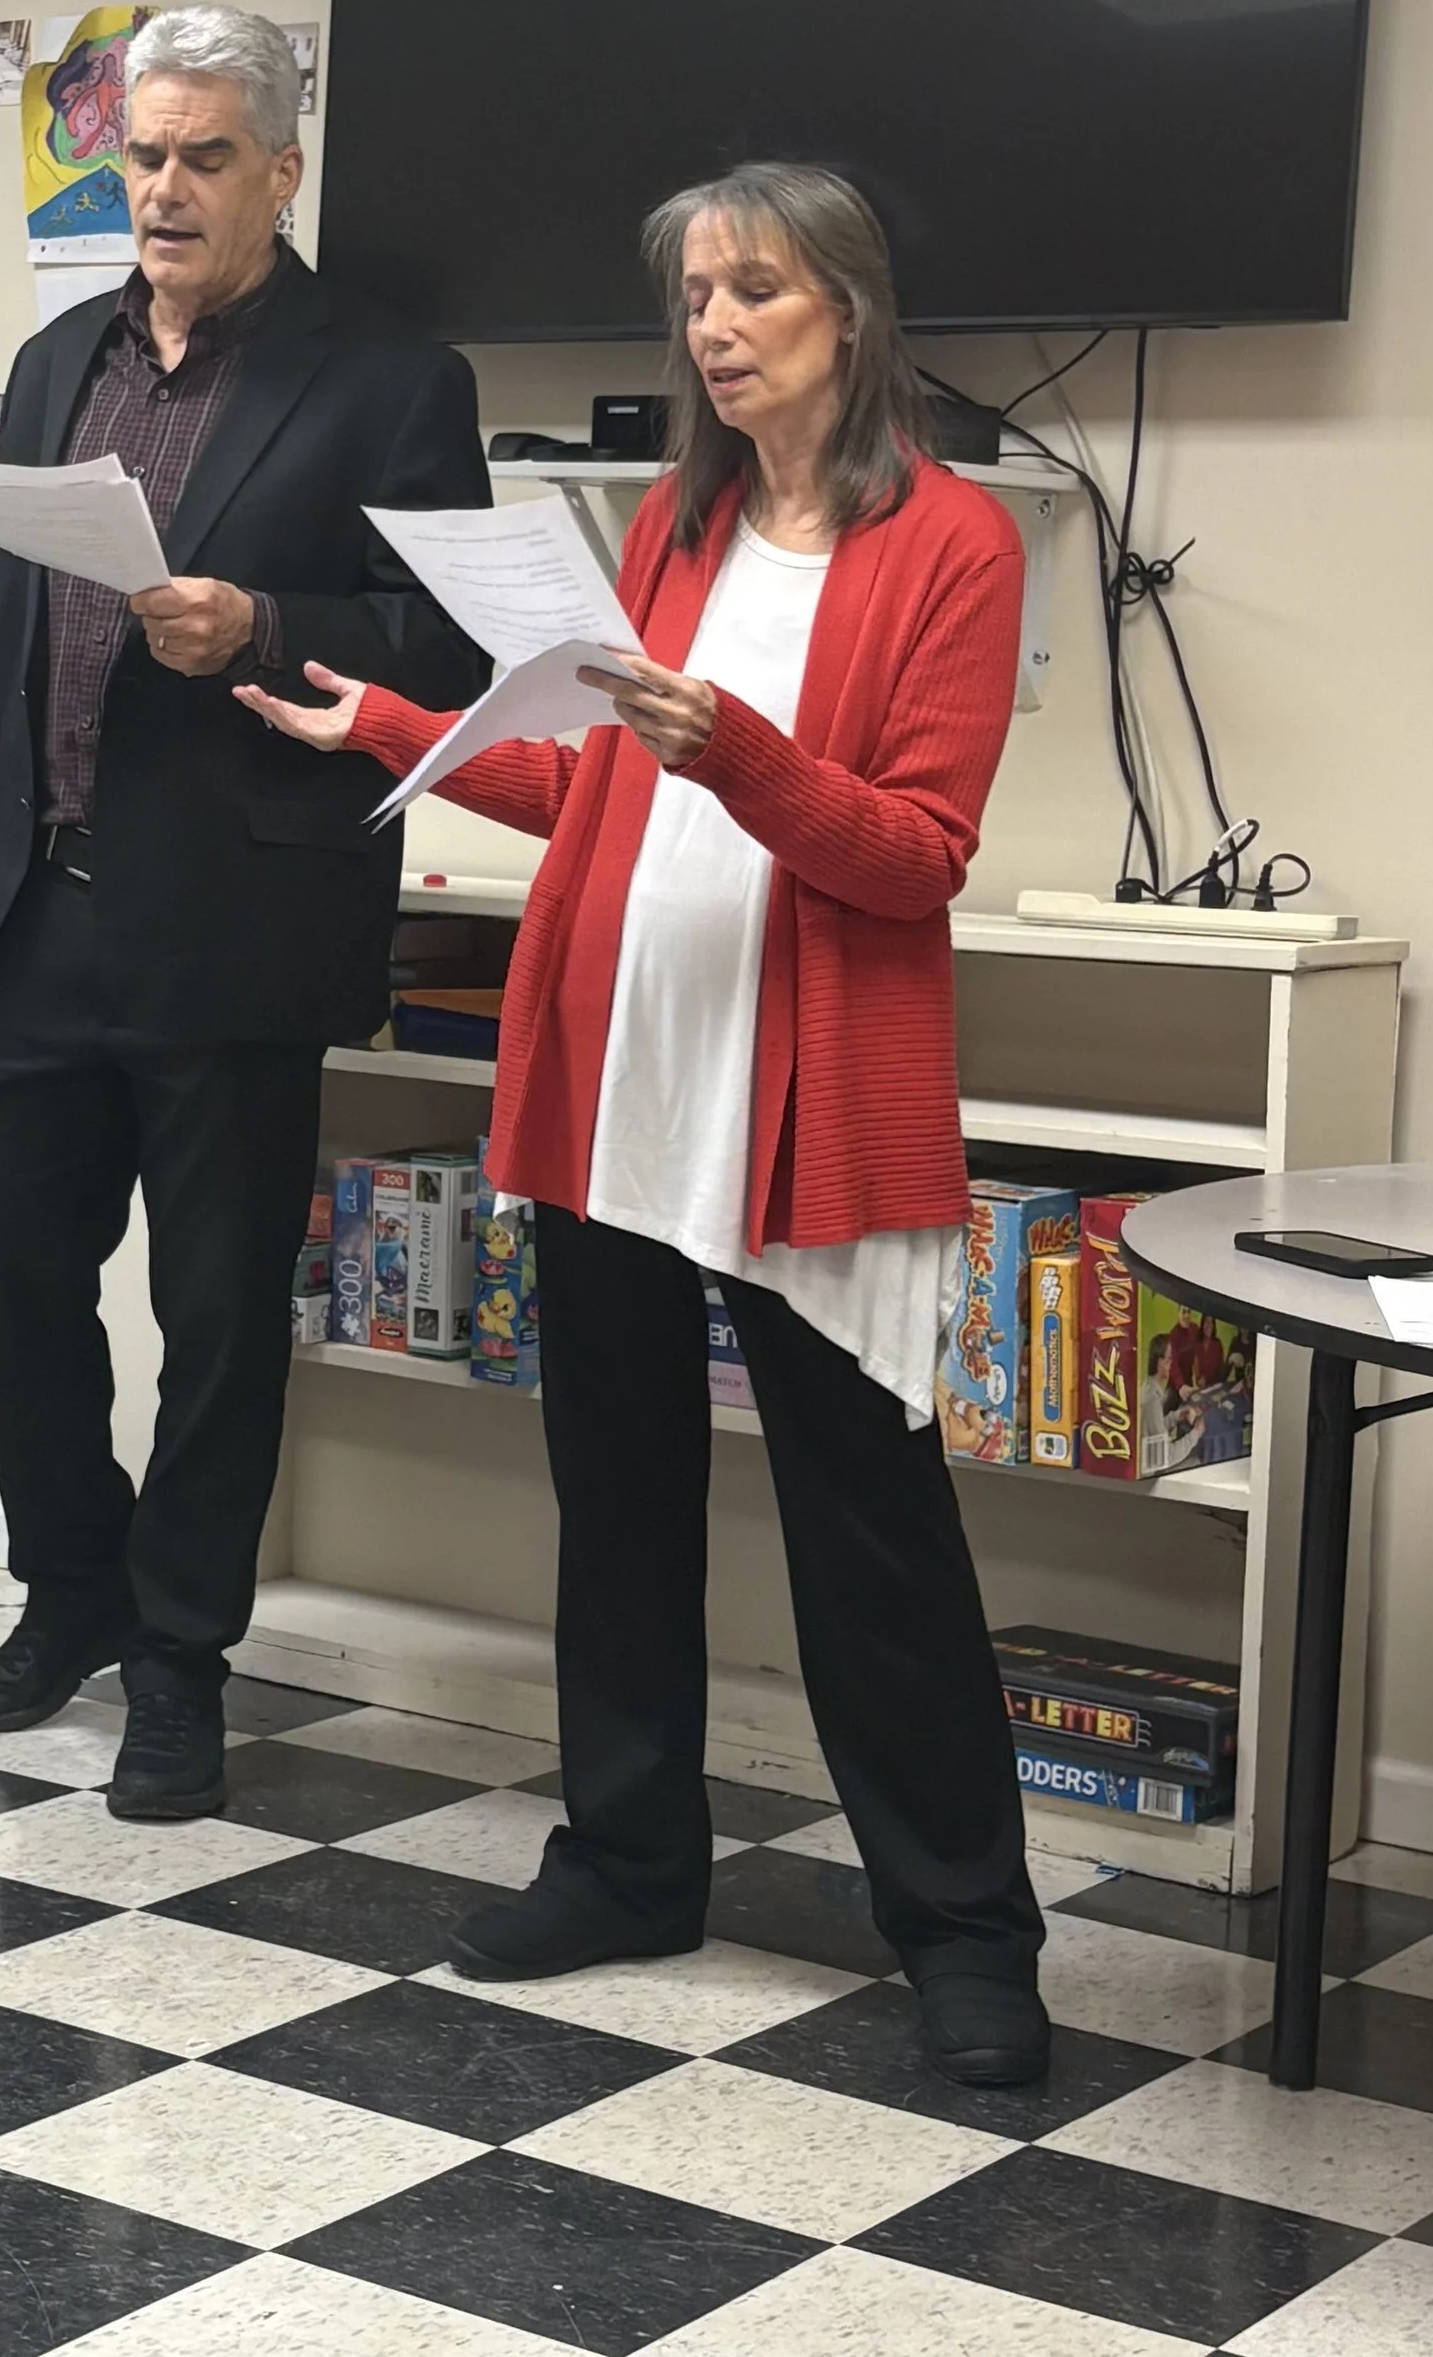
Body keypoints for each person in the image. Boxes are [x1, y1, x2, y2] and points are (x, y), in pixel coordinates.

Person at [240, 162, 1051, 2085]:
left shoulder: (955, 541)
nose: (714, 326)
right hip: (618, 1079)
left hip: (807, 1101)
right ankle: (626, 1862)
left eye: (753, 288)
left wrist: (736, 751)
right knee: (614, 1498)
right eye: (693, 294)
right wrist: (392, 731)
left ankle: (964, 1933)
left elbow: (915, 856)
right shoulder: (677, 528)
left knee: (873, 1536)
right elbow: (600, 796)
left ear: (847, 305)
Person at [0, 4, 488, 1822]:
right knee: (11, 1286)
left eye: (203, 156)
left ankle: (182, 1662)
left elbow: (451, 644)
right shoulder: (60, 358)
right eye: (141, 155)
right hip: (28, 909)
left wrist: (265, 625)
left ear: (280, 173)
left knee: (214, 1329)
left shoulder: (390, 378)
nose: (162, 189)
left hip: (235, 928)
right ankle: (73, 1591)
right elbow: (8, 593)